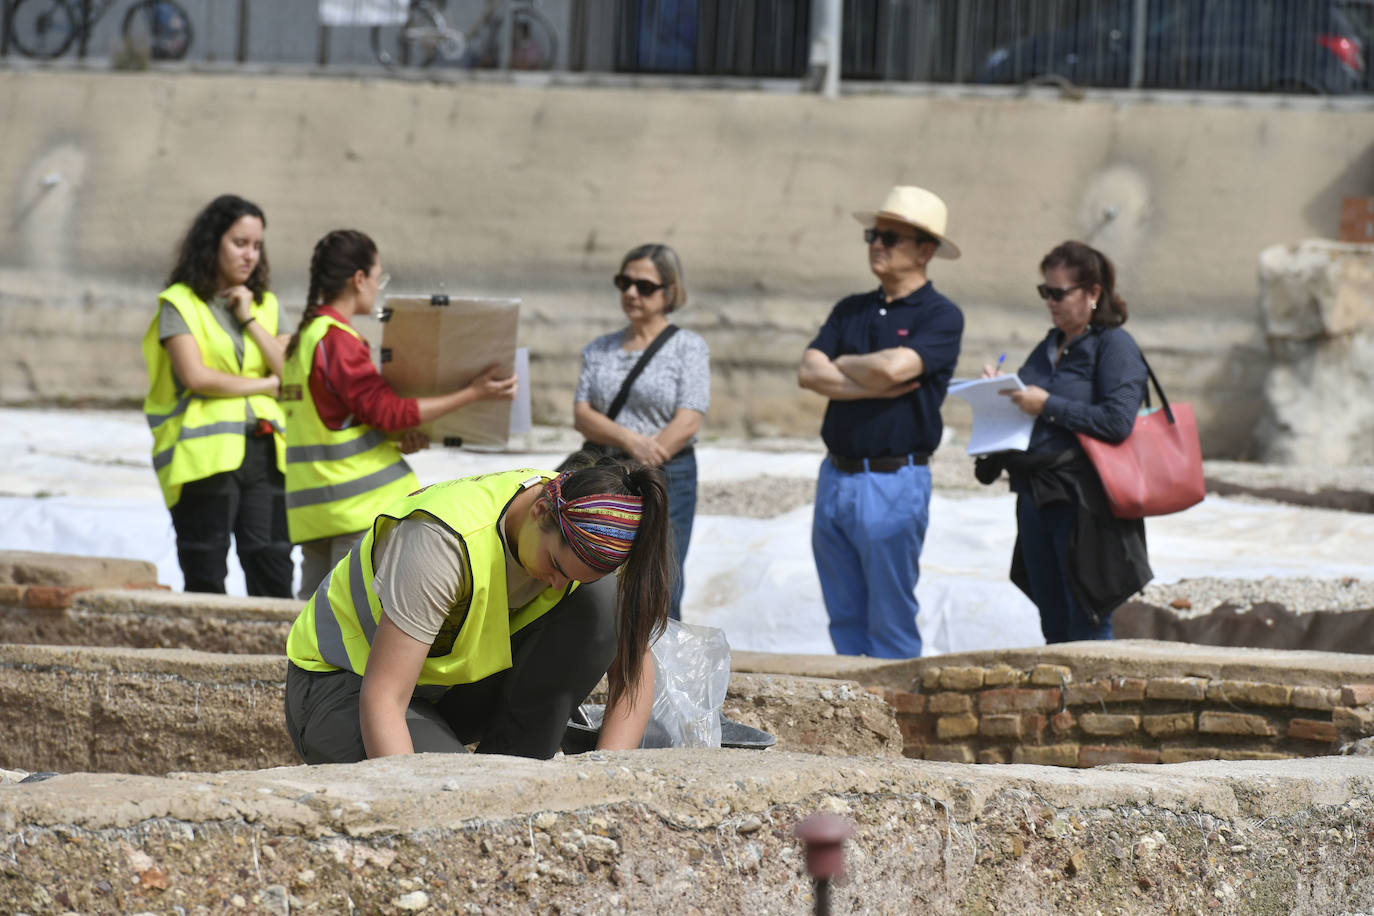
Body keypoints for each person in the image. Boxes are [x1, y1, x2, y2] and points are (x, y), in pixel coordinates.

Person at [283, 457, 671, 762]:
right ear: (540, 512)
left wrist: (608, 776)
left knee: (602, 601)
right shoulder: (441, 542)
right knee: (449, 797)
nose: (557, 584)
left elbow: (634, 672)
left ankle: (518, 769)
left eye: (570, 576)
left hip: (441, 687)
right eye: (555, 565)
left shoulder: (586, 519)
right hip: (342, 685)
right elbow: (383, 698)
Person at [281, 229, 518, 597]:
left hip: (314, 512)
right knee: (353, 624)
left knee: (308, 622)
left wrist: (392, 442)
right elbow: (389, 412)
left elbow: (337, 421)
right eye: (378, 278)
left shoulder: (306, 338)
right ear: (359, 279)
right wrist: (473, 393)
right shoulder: (338, 341)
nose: (378, 287)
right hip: (357, 509)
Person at [797, 186, 964, 659]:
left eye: (891, 237)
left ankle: (900, 723)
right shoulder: (852, 308)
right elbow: (808, 371)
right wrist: (868, 380)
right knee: (843, 613)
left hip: (893, 479)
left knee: (890, 619)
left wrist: (844, 365)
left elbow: (896, 369)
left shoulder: (940, 315)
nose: (877, 244)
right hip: (836, 476)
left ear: (925, 250)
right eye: (874, 234)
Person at [974, 240, 1152, 643]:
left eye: (1058, 293)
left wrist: (1048, 404)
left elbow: (1118, 422)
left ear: (1093, 293)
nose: (1050, 302)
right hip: (1036, 498)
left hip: (1086, 505)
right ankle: (1059, 706)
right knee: (1052, 620)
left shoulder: (1114, 345)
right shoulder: (1048, 345)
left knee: (1086, 619)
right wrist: (998, 393)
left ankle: (1090, 703)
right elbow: (1026, 407)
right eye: (1045, 292)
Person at [141, 194, 293, 597]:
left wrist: (249, 318)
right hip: (203, 455)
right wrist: (264, 385)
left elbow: (290, 371)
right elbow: (196, 376)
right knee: (205, 566)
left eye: (257, 246)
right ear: (212, 242)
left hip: (266, 452)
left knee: (273, 564)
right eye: (240, 243)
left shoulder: (268, 305)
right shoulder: (180, 302)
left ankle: (275, 660)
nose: (250, 256)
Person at [573, 244, 710, 621]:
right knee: (593, 568)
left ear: (669, 292)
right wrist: (629, 442)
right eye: (625, 282)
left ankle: (658, 672)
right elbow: (582, 414)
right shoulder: (600, 349)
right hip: (605, 470)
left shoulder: (688, 348)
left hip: (667, 474)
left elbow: (689, 419)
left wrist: (643, 464)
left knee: (660, 576)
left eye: (644, 286)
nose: (631, 293)